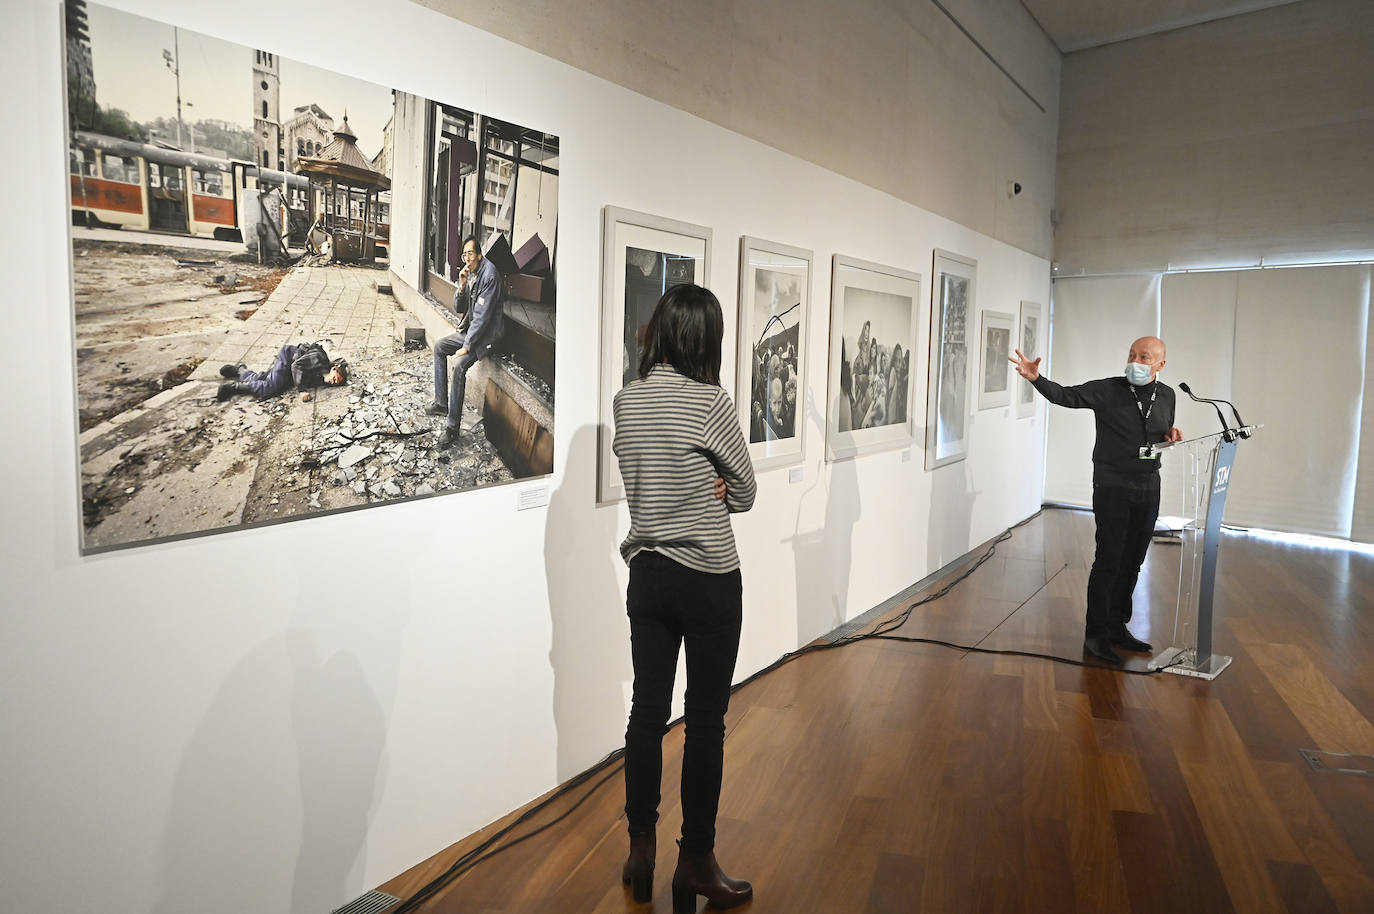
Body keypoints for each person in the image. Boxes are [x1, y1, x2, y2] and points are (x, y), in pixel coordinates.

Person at [613, 283, 757, 912]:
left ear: (660, 334)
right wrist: (717, 486)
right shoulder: (711, 404)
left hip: (647, 576)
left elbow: (643, 476)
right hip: (707, 581)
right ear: (706, 340)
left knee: (646, 716)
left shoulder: (626, 402)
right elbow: (746, 492)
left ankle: (640, 848)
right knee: (704, 725)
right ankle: (694, 861)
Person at [1011, 336, 1182, 664]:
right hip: (1112, 485)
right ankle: (1096, 635)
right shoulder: (1108, 389)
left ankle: (1118, 627)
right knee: (1109, 561)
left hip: (1149, 486)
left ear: (1160, 364)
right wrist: (1036, 379)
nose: (1135, 361)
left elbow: (1161, 429)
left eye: (1144, 357)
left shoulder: (1169, 395)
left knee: (1133, 561)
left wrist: (1171, 435)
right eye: (1132, 354)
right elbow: (1066, 396)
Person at [427, 236, 504, 448]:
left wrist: (466, 346)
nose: (467, 259)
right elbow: (460, 308)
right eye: (464, 255)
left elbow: (482, 319)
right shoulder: (472, 273)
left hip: (486, 337)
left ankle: (452, 428)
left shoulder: (490, 276)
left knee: (460, 366)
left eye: (470, 254)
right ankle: (442, 403)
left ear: (479, 254)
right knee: (440, 347)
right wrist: (461, 286)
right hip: (471, 332)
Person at [215, 343, 347, 401]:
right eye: (336, 378)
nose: (334, 382)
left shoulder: (322, 377)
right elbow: (296, 366)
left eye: (336, 383)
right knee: (271, 387)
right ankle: (232, 388)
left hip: (290, 369)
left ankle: (240, 371)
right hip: (289, 357)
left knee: (265, 379)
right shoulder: (319, 358)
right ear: (334, 369)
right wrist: (301, 390)